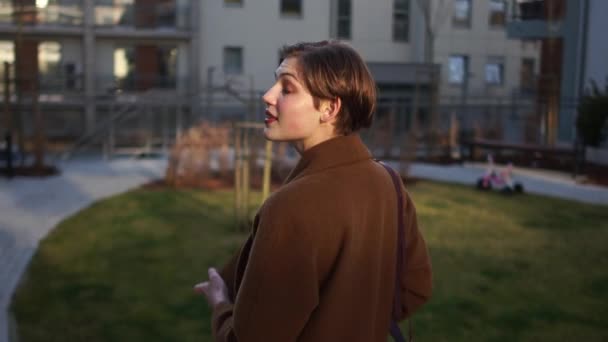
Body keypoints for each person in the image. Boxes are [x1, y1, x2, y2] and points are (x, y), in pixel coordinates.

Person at [194, 40, 432, 341]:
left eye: (287, 88)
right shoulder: (390, 183)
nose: (267, 95)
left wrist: (220, 305)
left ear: (330, 108)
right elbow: (415, 288)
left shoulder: (290, 207)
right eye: (274, 83)